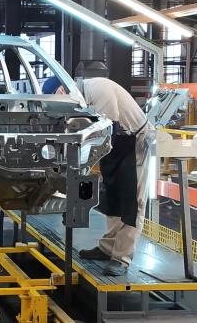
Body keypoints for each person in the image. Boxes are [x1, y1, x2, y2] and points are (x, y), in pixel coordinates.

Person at [43, 76, 154, 276]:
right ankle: (107, 248)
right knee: (112, 196)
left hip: (133, 142)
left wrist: (78, 171)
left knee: (132, 201)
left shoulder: (98, 88)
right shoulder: (80, 99)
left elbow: (105, 128)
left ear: (61, 89)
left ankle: (121, 258)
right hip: (115, 146)